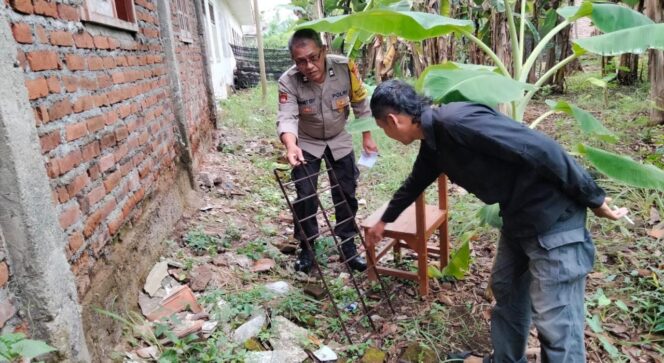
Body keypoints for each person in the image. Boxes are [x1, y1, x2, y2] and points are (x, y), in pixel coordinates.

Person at [365, 80, 628, 363]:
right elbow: (415, 182)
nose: (386, 134)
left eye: (382, 129)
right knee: (508, 291)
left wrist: (595, 198)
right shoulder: (435, 142)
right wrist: (384, 221)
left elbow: (542, 149)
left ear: (393, 120)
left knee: (556, 318)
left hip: (553, 218)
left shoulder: (457, 122)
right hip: (518, 218)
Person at [277, 29, 377, 273]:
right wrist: (291, 145)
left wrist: (367, 135)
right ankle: (307, 247)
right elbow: (287, 117)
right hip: (306, 142)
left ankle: (348, 244)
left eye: (313, 57)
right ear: (294, 60)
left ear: (323, 51)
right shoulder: (288, 81)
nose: (309, 66)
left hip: (339, 138)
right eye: (301, 61)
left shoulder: (345, 68)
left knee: (346, 192)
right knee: (306, 195)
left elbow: (360, 103)